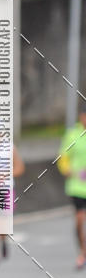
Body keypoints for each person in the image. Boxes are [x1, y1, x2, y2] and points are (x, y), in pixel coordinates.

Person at [58, 107, 86, 269]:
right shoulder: (72, 135)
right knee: (79, 220)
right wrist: (66, 169)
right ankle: (82, 252)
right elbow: (63, 156)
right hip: (77, 186)